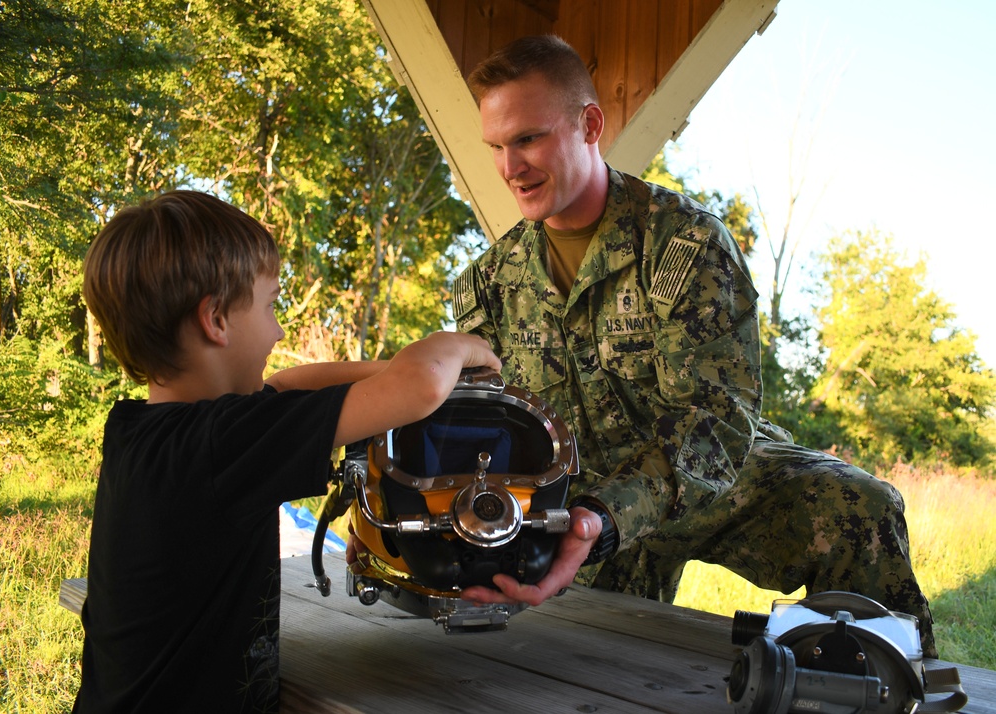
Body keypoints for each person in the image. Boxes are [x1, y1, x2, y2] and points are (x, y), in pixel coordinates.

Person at [452, 34, 937, 657]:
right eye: (496, 145)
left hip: (706, 474)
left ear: (590, 124)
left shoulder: (684, 244)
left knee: (858, 508)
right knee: (562, 656)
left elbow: (715, 424)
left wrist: (606, 515)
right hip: (580, 502)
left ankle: (897, 683)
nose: (509, 166)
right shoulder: (488, 285)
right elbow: (480, 427)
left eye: (527, 139)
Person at [73, 190, 501, 713]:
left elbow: (289, 384)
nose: (278, 330)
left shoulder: (145, 432)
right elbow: (420, 389)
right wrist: (459, 346)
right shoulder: (219, 443)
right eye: (271, 305)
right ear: (216, 321)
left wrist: (392, 367)